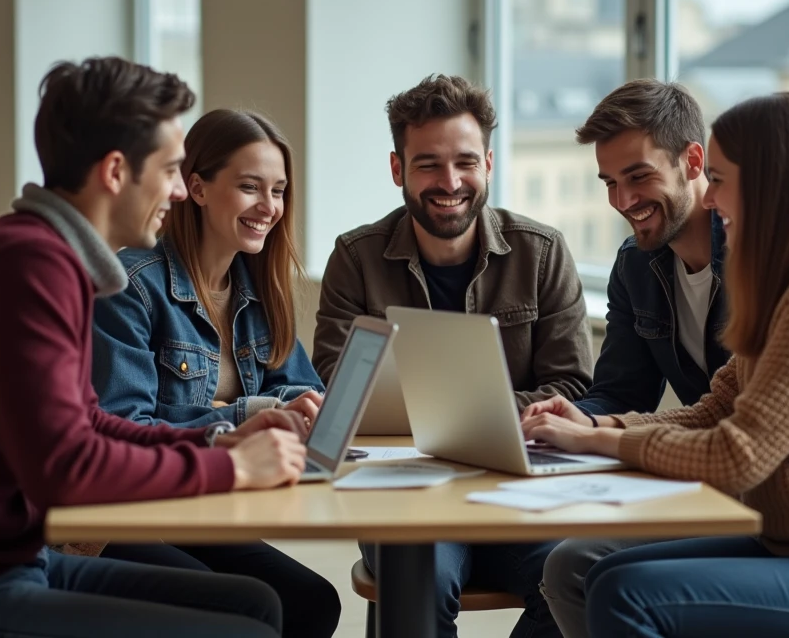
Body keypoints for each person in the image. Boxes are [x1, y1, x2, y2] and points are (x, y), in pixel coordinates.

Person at [0, 57, 311, 638]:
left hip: (12, 564)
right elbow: (65, 470)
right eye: (171, 170)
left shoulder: (51, 257)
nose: (178, 190)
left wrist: (215, 439)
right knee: (245, 631)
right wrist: (231, 467)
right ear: (116, 171)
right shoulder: (28, 266)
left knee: (258, 607)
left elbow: (90, 424)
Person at [524, 92, 789, 638]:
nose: (709, 199)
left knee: (625, 593)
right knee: (588, 571)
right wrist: (596, 426)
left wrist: (598, 440)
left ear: (771, 185)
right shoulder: (783, 287)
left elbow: (737, 456)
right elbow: (715, 411)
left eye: (720, 180)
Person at [314, 73, 593, 638]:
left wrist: (458, 419)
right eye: (428, 165)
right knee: (418, 580)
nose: (450, 182)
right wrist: (472, 417)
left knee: (581, 575)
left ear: (488, 163)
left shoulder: (542, 253)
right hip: (405, 496)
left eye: (465, 162)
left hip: (517, 495)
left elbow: (571, 384)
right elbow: (338, 383)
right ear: (398, 169)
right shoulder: (355, 258)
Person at [90, 108, 340, 638]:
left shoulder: (255, 284)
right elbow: (125, 428)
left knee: (312, 603)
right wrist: (247, 416)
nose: (269, 207)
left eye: (278, 191)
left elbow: (298, 385)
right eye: (250, 187)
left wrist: (295, 408)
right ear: (197, 188)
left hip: (200, 505)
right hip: (119, 517)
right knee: (243, 610)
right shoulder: (131, 286)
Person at [527, 80, 730, 638]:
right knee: (566, 562)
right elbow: (621, 391)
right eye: (610, 183)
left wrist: (601, 434)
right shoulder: (636, 265)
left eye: (638, 176)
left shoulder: (755, 259)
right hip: (701, 476)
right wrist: (578, 420)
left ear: (693, 161)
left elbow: (739, 423)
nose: (622, 201)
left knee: (580, 566)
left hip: (738, 483)